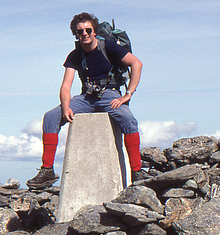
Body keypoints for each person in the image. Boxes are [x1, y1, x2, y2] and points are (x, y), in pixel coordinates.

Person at [26, 12, 145, 190]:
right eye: (80, 31)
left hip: (110, 94)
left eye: (88, 30)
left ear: (94, 31)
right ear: (75, 33)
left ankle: (137, 172)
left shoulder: (109, 47)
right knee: (50, 117)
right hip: (86, 98)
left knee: (128, 119)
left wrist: (128, 94)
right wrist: (66, 107)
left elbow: (136, 63)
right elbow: (66, 86)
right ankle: (47, 171)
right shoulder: (75, 55)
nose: (84, 33)